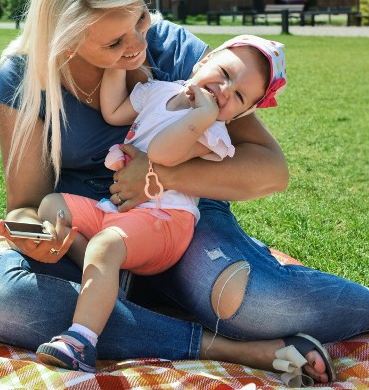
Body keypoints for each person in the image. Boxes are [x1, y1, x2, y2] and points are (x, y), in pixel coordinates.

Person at [0, 0, 369, 385]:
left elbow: (271, 169)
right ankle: (227, 347)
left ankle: (148, 309)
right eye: (114, 42)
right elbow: (25, 202)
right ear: (65, 37)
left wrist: (161, 175)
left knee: (258, 304)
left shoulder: (180, 52)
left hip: (180, 220)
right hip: (90, 231)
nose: (138, 46)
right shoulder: (23, 77)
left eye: (140, 18)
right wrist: (38, 234)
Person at [35, 35, 287, 372]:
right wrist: (118, 63)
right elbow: (113, 111)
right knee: (52, 205)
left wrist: (203, 112)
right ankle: (108, 277)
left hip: (165, 221)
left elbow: (162, 154)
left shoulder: (213, 132)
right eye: (225, 73)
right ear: (203, 61)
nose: (225, 90)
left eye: (239, 96)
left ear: (241, 112)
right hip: (121, 212)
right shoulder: (159, 90)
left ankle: (80, 342)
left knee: (106, 245)